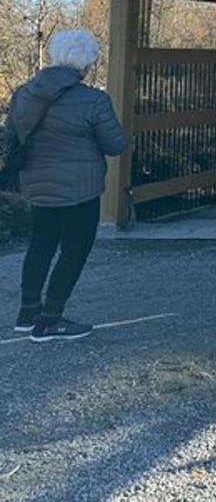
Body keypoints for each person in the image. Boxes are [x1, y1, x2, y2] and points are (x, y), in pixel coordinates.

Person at [8, 29, 128, 342]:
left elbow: (12, 136)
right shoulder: (94, 99)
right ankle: (51, 320)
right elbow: (115, 144)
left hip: (37, 184)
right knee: (74, 250)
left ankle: (27, 312)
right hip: (80, 190)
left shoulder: (23, 94)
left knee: (40, 245)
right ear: (86, 63)